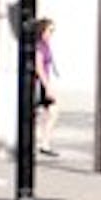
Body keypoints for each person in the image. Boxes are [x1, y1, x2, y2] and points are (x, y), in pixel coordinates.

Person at [34, 18, 59, 156]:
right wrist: (47, 86)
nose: (51, 33)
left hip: (45, 82)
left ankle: (45, 143)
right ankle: (42, 144)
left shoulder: (45, 45)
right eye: (50, 30)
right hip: (40, 83)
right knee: (40, 113)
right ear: (42, 31)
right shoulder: (39, 46)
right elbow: (39, 67)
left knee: (53, 112)